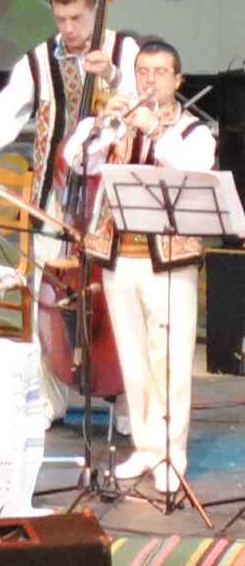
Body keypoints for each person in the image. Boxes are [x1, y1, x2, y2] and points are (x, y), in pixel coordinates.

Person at [0, 0, 140, 429]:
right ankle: (47, 399)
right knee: (48, 298)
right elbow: (5, 112)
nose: (69, 28)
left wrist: (113, 76)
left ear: (95, 10)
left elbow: (145, 103)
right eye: (61, 19)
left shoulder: (124, 51)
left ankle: (126, 402)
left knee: (119, 303)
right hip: (54, 200)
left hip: (111, 204)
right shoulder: (39, 60)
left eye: (77, 18)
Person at [60, 41, 212, 495]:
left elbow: (194, 169)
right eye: (143, 71)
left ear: (177, 80)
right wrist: (103, 128)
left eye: (160, 72)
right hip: (118, 255)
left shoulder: (192, 130)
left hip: (169, 260)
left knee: (170, 360)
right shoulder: (118, 118)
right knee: (133, 358)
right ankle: (144, 448)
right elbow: (75, 159)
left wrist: (155, 131)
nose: (149, 80)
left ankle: (171, 452)